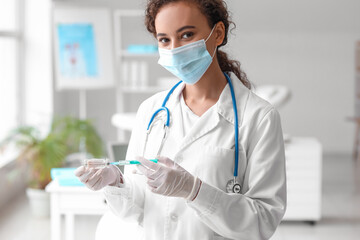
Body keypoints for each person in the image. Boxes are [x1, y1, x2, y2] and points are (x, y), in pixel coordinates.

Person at [75, 0, 286, 239]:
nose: (174, 48)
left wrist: (194, 191)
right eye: (164, 39)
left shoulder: (259, 118)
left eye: (186, 35)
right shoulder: (151, 110)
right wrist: (115, 183)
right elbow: (137, 210)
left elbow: (263, 221)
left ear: (217, 33)